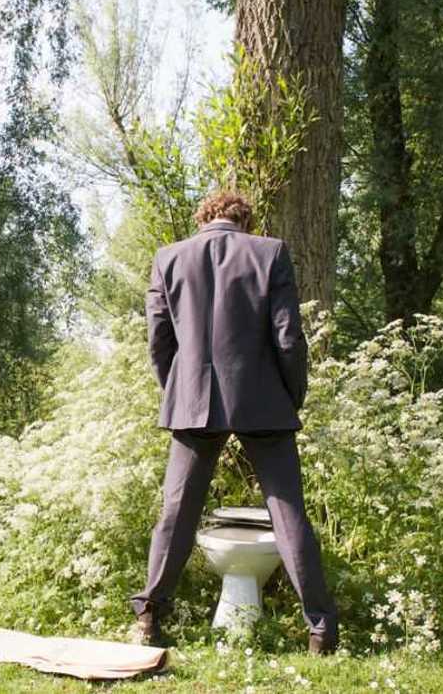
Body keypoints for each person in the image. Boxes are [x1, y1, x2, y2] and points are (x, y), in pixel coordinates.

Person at [129, 189, 338, 655]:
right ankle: (321, 630)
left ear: (204, 217)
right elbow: (289, 337)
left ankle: (149, 617)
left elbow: (158, 342)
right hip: (262, 399)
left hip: (192, 400)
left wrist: (179, 391)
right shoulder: (270, 252)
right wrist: (291, 395)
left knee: (176, 512)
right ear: (245, 219)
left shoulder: (169, 258)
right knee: (288, 515)